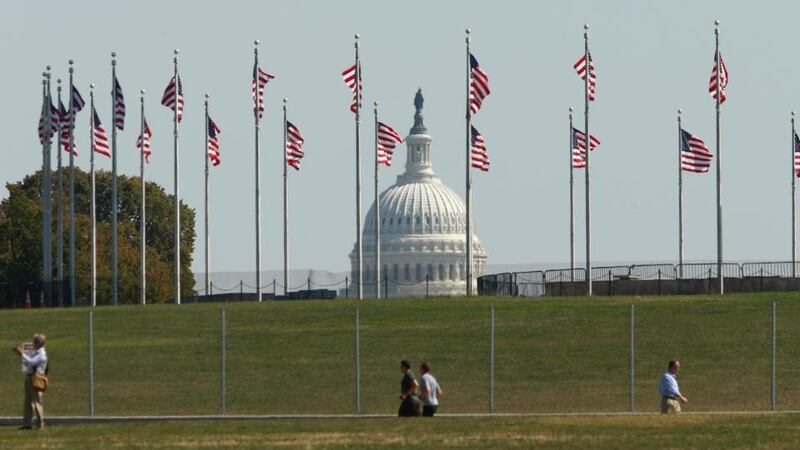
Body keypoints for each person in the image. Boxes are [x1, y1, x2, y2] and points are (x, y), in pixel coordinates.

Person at [12, 333, 48, 430]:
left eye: (35, 341)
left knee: (36, 402)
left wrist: (22, 354)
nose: (33, 343)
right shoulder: (36, 352)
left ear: (39, 343)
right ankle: (27, 424)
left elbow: (32, 362)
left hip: (36, 379)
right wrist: (21, 355)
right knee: (27, 402)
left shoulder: (42, 354)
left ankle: (40, 424)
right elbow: (28, 362)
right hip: (29, 377)